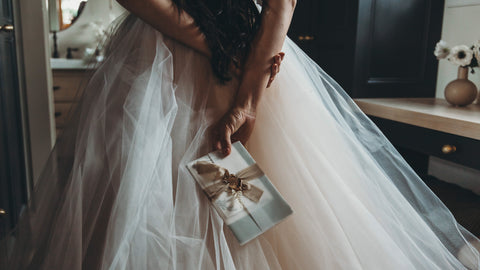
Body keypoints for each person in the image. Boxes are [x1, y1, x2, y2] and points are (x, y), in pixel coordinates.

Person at [6, 0, 480, 269]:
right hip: (174, 49)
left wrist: (250, 85)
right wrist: (232, 56)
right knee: (170, 186)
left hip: (250, 46)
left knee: (246, 193)